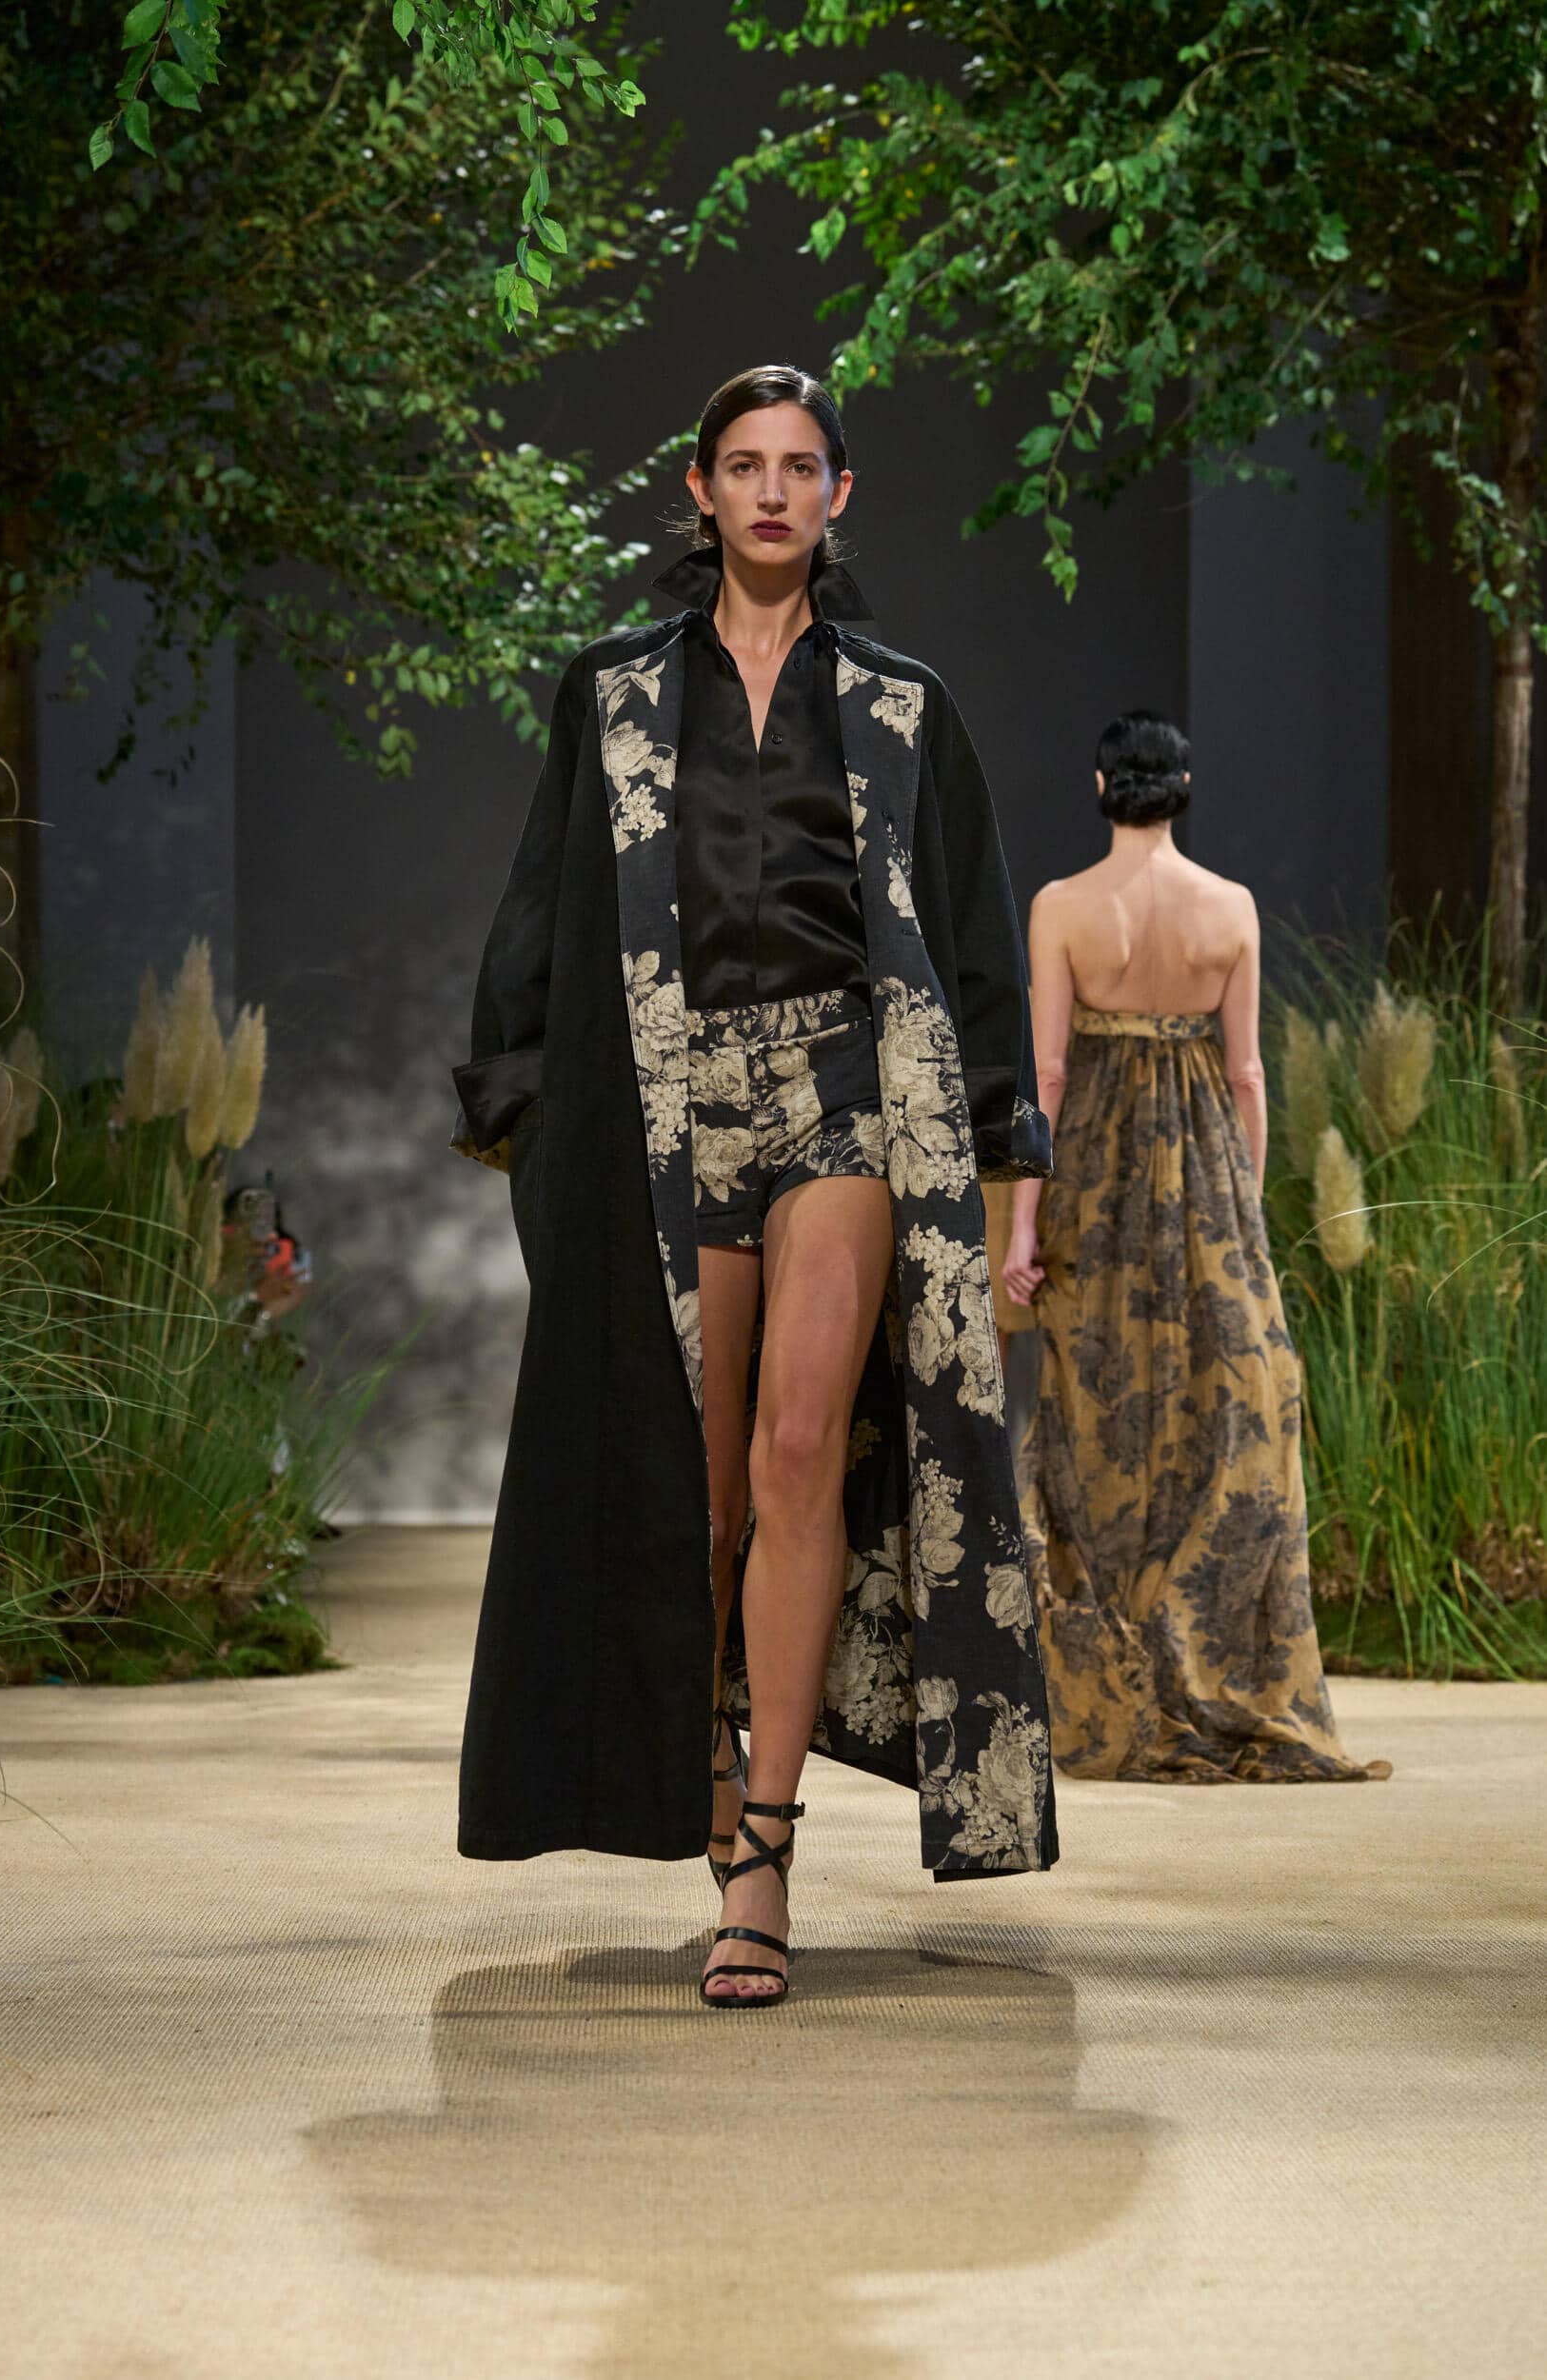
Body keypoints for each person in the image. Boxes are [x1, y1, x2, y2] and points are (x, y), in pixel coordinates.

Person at [450, 364, 1059, 2009]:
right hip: (670, 1102)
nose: (772, 491)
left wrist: (996, 1152)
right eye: (743, 465)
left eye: (800, 466)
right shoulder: (612, 696)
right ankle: (715, 1795)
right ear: (701, 489)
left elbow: (968, 928)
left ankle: (768, 1850)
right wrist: (529, 1109)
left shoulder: (903, 705)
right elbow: (546, 905)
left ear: (838, 493)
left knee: (799, 1451)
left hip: (842, 1089)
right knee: (703, 1493)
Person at [1002, 712, 1388, 1784]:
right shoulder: (1230, 907)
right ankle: (1203, 1656)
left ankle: (1108, 1668)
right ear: (1182, 787)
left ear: (1099, 785)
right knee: (1214, 1408)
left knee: (1097, 1410)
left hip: (1092, 1174)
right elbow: (1247, 1072)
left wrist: (1023, 1221)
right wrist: (1241, 1207)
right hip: (1207, 1174)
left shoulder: (1061, 906)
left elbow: (1045, 1075)